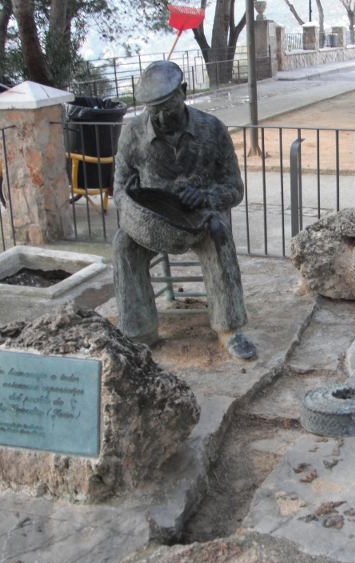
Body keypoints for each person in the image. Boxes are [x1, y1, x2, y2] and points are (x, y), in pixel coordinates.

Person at [111, 61, 257, 360]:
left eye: (169, 108)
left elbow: (235, 188)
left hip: (200, 219)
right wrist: (136, 212)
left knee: (218, 234)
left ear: (184, 92)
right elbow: (120, 190)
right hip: (152, 222)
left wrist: (205, 196)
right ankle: (139, 332)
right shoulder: (133, 134)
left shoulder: (212, 129)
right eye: (155, 111)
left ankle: (229, 328)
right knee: (123, 244)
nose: (163, 118)